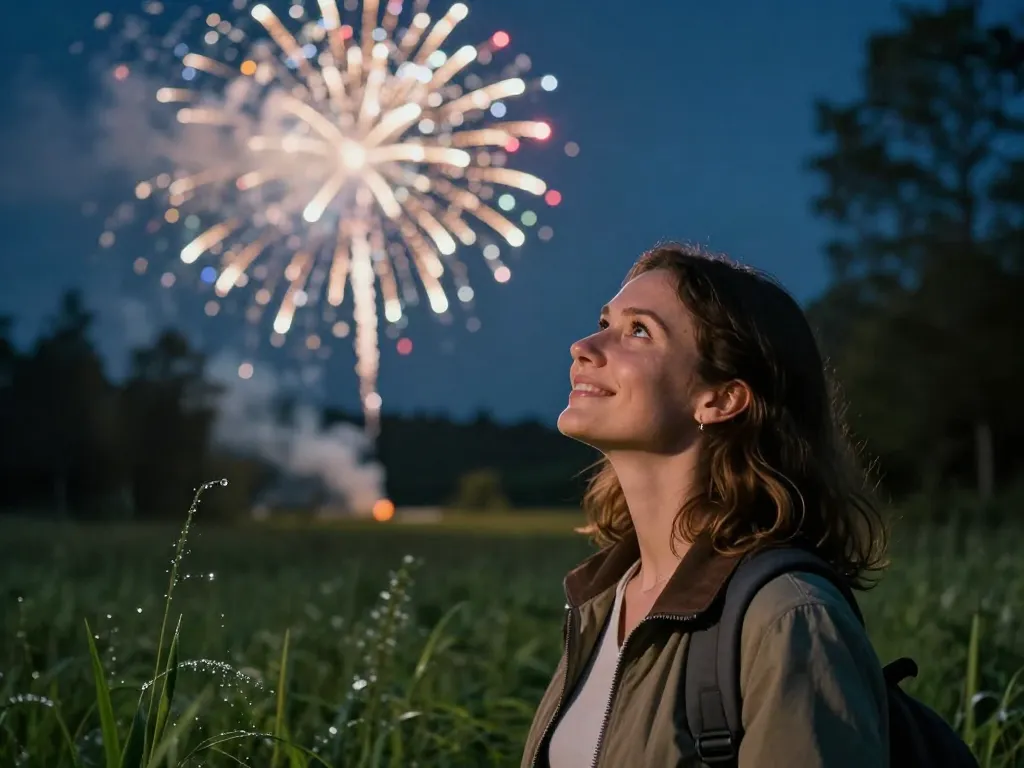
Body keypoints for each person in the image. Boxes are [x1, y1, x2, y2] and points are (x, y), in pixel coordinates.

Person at [520, 243, 891, 768]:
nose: (584, 345)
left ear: (720, 399)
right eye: (604, 321)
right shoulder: (604, 600)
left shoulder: (788, 618)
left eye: (639, 331)